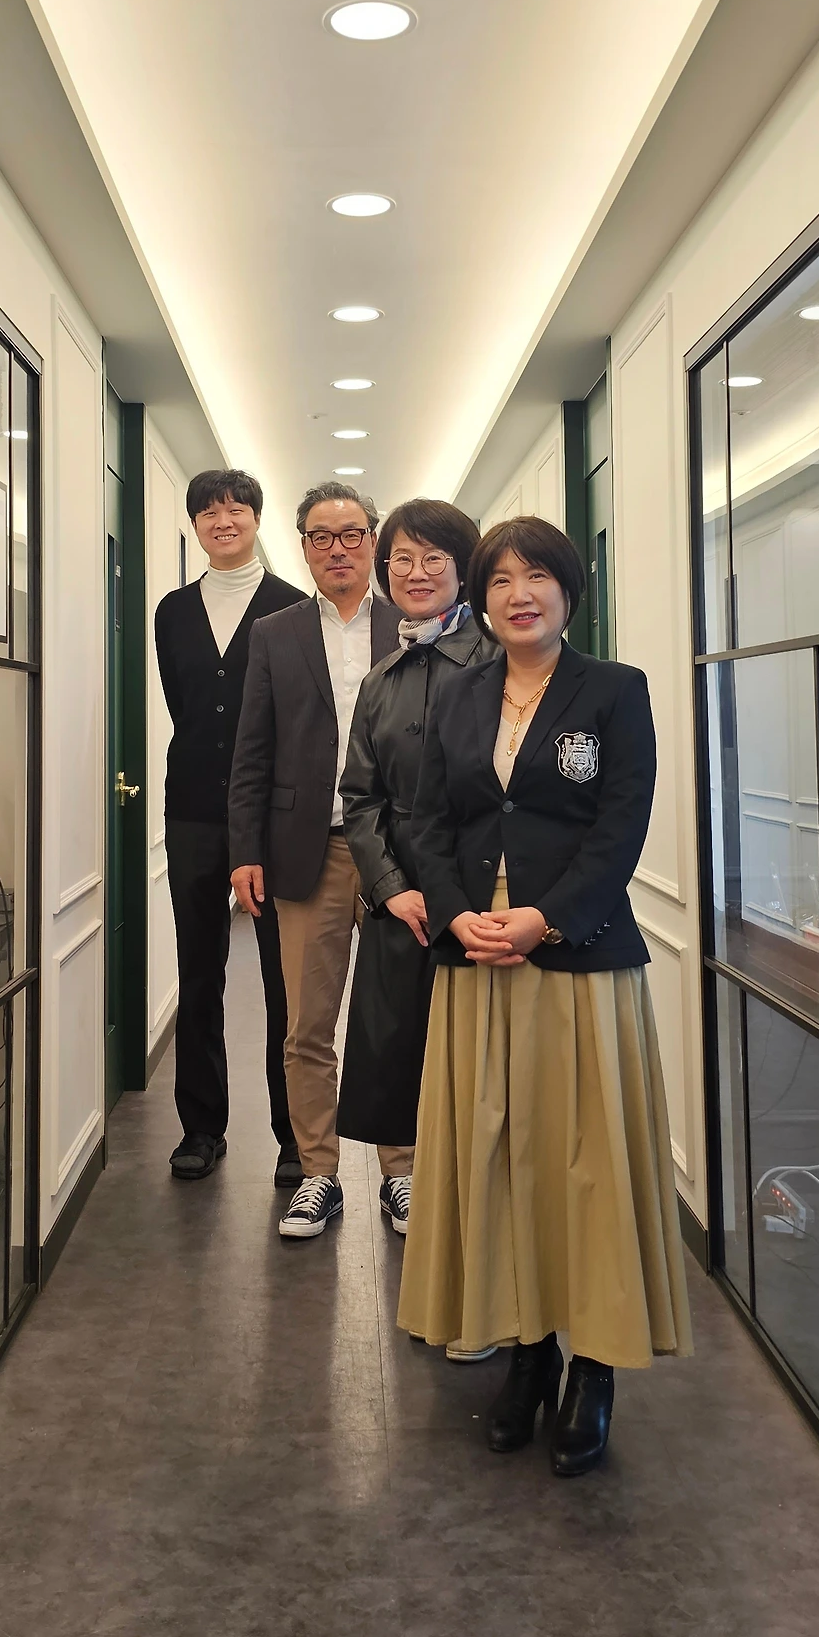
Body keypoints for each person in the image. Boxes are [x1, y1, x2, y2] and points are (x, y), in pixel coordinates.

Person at [400, 515, 691, 1476]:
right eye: (500, 579)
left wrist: (547, 918)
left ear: (569, 588)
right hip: (478, 958)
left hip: (574, 957)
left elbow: (621, 824)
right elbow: (427, 821)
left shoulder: (614, 690)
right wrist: (455, 913)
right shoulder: (458, 692)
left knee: (585, 1161)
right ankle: (527, 1351)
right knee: (499, 1155)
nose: (518, 594)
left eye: (537, 576)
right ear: (480, 597)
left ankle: (593, 1366)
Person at [229, 482, 402, 1237]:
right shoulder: (275, 633)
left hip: (399, 852)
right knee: (306, 1025)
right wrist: (245, 849)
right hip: (310, 849)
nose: (338, 548)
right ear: (302, 547)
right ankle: (317, 1173)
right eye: (322, 536)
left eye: (352, 533)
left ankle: (403, 1171)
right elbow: (251, 748)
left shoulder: (412, 624)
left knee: (397, 1019)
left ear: (374, 541)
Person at [338, 500, 493, 1276]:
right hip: (402, 905)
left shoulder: (499, 660)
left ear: (464, 568)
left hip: (485, 901)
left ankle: (478, 1204)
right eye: (401, 558)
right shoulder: (382, 679)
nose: (416, 572)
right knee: (401, 1056)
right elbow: (359, 797)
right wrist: (392, 886)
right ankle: (408, 1185)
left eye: (434, 557)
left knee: (478, 1065)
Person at [154, 470, 305, 1185]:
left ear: (255, 520)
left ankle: (294, 1136)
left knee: (282, 978)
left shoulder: (292, 606)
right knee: (198, 969)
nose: (223, 520)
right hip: (190, 809)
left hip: (270, 816)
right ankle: (201, 1127)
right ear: (195, 525)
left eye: (236, 509)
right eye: (209, 511)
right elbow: (183, 703)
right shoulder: (173, 611)